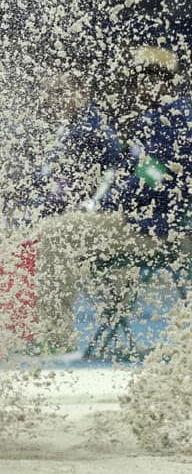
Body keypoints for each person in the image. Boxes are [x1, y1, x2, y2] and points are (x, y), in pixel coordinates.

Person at [32, 46, 192, 351]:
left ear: (168, 82)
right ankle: (112, 326)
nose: (144, 86)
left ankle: (56, 339)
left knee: (55, 234)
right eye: (140, 80)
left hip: (158, 231)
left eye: (153, 79)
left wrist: (111, 202)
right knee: (88, 229)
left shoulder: (170, 120)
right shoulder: (169, 116)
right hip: (152, 225)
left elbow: (153, 179)